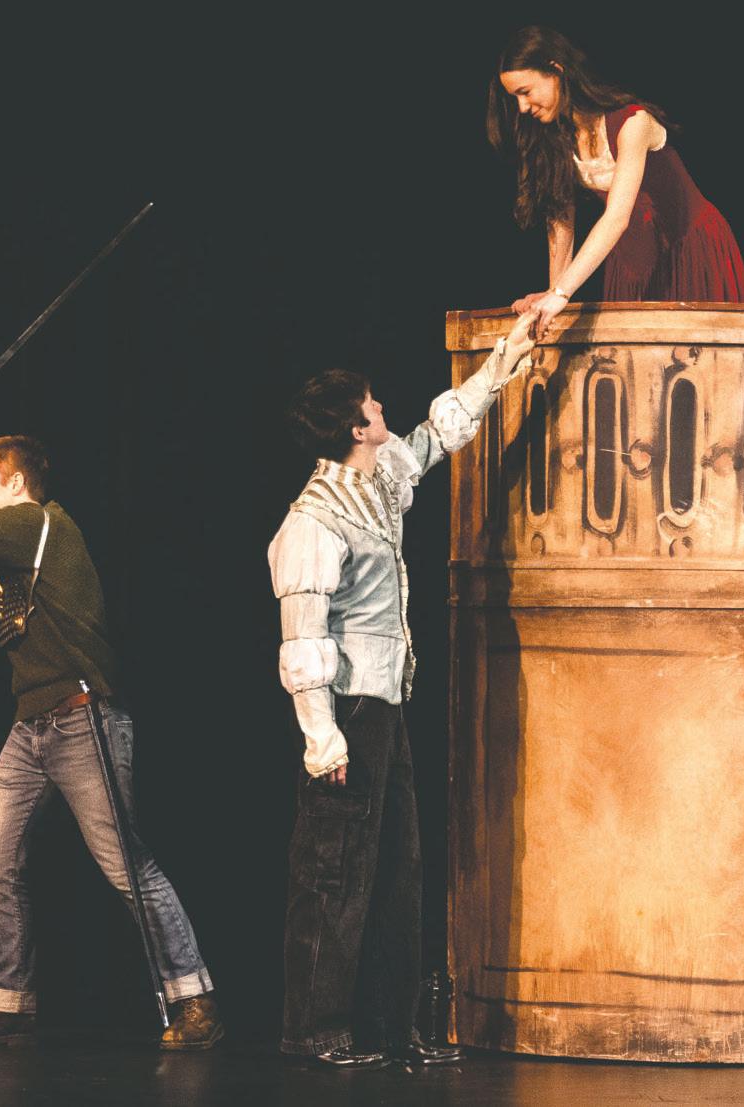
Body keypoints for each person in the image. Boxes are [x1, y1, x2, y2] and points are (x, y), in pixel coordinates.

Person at [0, 436, 220, 1049]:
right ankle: (10, 1001)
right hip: (30, 725)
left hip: (83, 718)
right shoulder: (10, 536)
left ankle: (194, 998)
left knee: (125, 866)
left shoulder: (37, 524)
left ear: (16, 484)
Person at [269, 314, 538, 1067]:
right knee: (333, 872)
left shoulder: (377, 475)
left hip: (384, 704)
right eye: (373, 403)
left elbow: (436, 434)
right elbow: (303, 640)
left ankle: (395, 1028)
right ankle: (313, 1030)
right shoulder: (313, 521)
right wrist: (322, 739)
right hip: (348, 711)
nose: (383, 407)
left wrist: (508, 355)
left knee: (397, 867)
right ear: (356, 427)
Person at [489, 25, 744, 338]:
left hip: (689, 254)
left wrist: (561, 294)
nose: (522, 107)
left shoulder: (632, 123)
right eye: (515, 98)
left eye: (525, 92)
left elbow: (617, 217)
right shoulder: (558, 138)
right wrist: (552, 292)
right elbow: (561, 223)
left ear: (556, 71)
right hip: (632, 268)